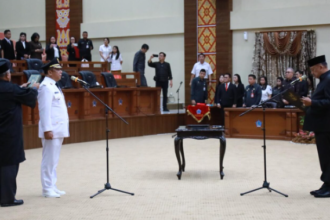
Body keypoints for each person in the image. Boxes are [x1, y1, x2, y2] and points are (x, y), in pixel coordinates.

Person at [0, 59, 39, 207]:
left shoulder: (13, 89)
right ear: (8, 75)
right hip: (9, 134)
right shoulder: (12, 90)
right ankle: (8, 199)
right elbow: (29, 97)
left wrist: (21, 88)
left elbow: (15, 92)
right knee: (9, 165)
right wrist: (33, 88)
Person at [38, 58, 69, 198]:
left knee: (54, 160)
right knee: (48, 160)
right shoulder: (45, 87)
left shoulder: (54, 85)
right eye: (57, 69)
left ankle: (52, 185)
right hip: (51, 130)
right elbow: (44, 110)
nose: (61, 71)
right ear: (50, 72)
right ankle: (46, 188)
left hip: (58, 129)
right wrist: (47, 129)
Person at [302, 55, 330, 198]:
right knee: (325, 157)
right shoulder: (324, 80)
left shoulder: (329, 79)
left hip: (327, 126)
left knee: (327, 157)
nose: (313, 73)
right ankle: (326, 184)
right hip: (322, 125)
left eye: (313, 70)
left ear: (321, 66)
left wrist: (312, 103)